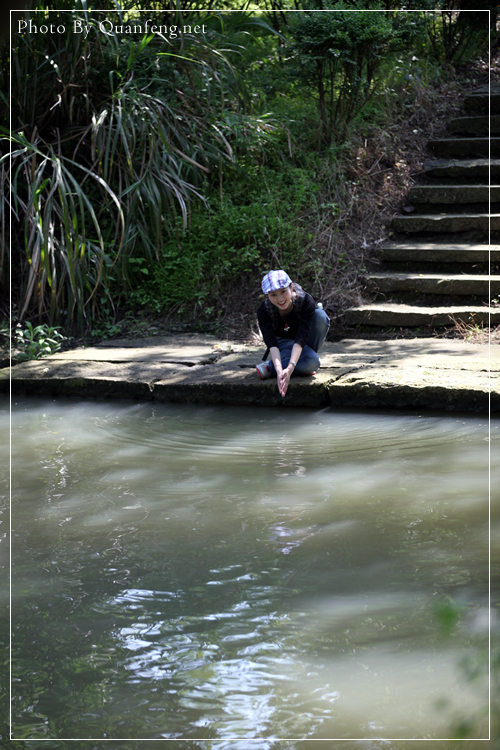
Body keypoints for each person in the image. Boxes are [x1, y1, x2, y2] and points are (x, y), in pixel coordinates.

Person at [255, 270, 330, 397]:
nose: (280, 299)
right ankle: (298, 364)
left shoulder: (305, 301)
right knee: (313, 362)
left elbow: (301, 337)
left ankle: (272, 366)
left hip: (302, 341)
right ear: (267, 295)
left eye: (283, 291)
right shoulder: (264, 310)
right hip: (282, 343)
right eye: (273, 295)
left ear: (291, 287)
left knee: (320, 316)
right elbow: (271, 342)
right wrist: (279, 370)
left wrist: (290, 368)